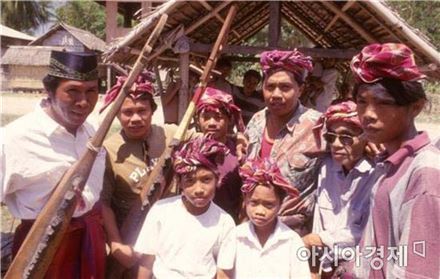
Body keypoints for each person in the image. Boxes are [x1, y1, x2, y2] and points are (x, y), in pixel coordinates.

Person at [1, 50, 106, 278]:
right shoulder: (14, 138)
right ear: (49, 91)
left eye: (91, 91)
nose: (83, 102)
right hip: (42, 253)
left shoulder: (93, 132)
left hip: (90, 244)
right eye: (72, 91)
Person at [350, 43, 440, 278]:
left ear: (416, 108)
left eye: (384, 102)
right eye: (362, 101)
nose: (368, 113)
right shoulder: (388, 163)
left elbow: (418, 270)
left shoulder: (424, 173)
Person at [99, 72, 190, 276]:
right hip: (132, 235)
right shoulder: (109, 150)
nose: (136, 119)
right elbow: (103, 202)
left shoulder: (170, 134)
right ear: (116, 114)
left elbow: (208, 137)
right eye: (127, 112)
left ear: (152, 111)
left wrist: (237, 139)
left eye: (142, 111)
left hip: (170, 233)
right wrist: (116, 244)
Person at [134, 136, 236, 279]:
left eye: (206, 180)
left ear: (217, 179)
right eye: (190, 181)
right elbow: (147, 261)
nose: (199, 189)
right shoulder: (161, 211)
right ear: (179, 183)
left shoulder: (225, 222)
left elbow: (223, 273)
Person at [245, 50, 323, 234]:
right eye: (270, 87)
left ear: (300, 89)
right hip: (253, 227)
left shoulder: (317, 125)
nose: (276, 94)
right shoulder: (256, 121)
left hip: (295, 233)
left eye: (285, 87)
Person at [302, 100, 374, 277]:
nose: (335, 144)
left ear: (366, 138)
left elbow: (367, 232)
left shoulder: (377, 174)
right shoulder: (326, 168)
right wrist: (313, 267)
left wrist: (320, 240)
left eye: (346, 137)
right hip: (326, 267)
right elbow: (318, 221)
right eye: (331, 137)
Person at [220, 158, 310, 279]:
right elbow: (223, 273)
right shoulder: (235, 236)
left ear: (280, 204)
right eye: (254, 203)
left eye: (269, 205)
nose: (260, 211)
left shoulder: (292, 241)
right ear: (245, 200)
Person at [195, 87, 245, 222]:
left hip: (228, 223)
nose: (211, 123)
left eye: (218, 118)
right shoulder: (189, 150)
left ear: (229, 120)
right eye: (205, 117)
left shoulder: (238, 154)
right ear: (198, 120)